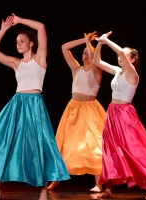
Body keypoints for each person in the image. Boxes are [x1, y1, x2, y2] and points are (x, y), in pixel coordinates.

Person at [0, 13, 70, 200]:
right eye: (16, 41)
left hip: (35, 105)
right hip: (17, 104)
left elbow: (41, 27)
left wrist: (19, 21)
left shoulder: (40, 59)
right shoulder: (16, 63)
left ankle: (43, 190)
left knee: (39, 145)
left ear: (31, 44)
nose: (18, 44)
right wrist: (4, 29)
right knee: (8, 144)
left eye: (21, 41)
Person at [93, 31, 146, 199]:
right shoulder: (118, 71)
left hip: (124, 115)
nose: (120, 57)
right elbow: (97, 61)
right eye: (120, 55)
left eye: (125, 55)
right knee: (110, 149)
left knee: (135, 149)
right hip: (112, 113)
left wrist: (106, 41)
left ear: (132, 60)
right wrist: (100, 44)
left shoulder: (133, 74)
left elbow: (120, 52)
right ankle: (108, 189)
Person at [47, 32, 106, 192]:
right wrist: (84, 40)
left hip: (90, 109)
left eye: (89, 52)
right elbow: (64, 48)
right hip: (74, 108)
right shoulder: (76, 69)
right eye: (84, 52)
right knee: (63, 144)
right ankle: (56, 179)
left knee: (95, 145)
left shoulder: (96, 71)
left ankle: (98, 183)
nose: (86, 53)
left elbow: (95, 59)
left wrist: (89, 45)